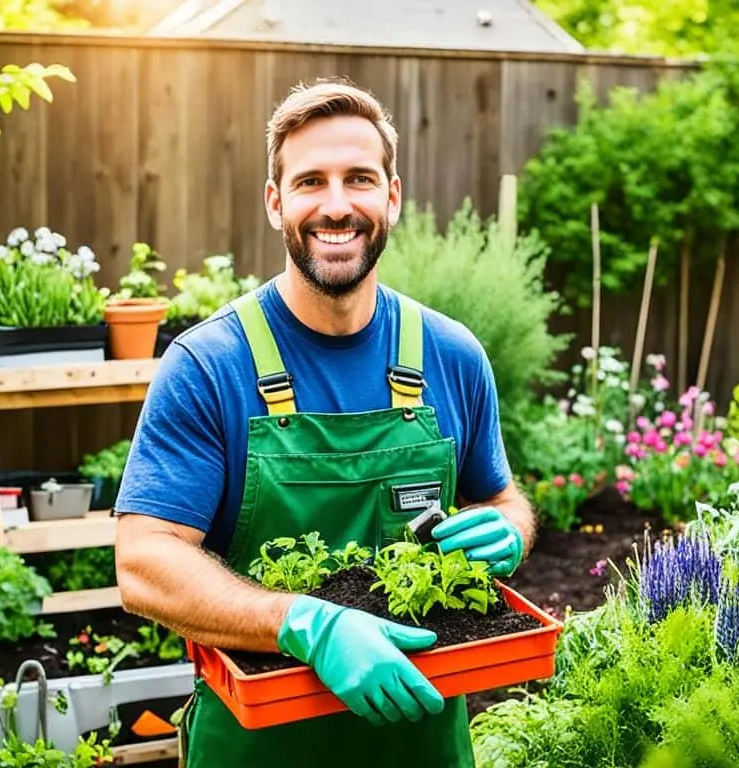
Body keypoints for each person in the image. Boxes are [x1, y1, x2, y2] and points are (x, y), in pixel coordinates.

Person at [112, 77, 538, 767]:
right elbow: (143, 562)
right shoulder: (209, 364)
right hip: (259, 748)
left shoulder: (450, 354)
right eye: (311, 181)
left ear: (392, 197)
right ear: (276, 202)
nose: (337, 206)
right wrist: (303, 622)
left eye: (359, 179)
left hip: (423, 747)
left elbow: (500, 495)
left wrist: (511, 528)